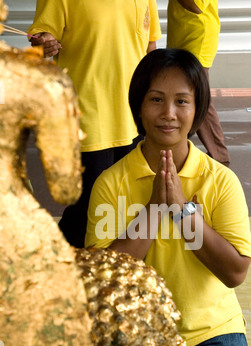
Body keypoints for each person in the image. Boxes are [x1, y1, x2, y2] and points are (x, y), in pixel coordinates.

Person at [85, 48, 251, 346]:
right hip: (136, 334)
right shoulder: (111, 183)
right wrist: (155, 211)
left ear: (198, 109)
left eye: (181, 101)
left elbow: (235, 273)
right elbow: (103, 285)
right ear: (139, 107)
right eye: (156, 99)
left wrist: (182, 213)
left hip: (213, 333)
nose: (168, 114)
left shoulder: (220, 181)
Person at [27, 0, 161, 247]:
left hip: (132, 116)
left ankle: (110, 271)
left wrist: (153, 105)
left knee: (125, 204)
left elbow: (150, 47)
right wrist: (43, 45)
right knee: (87, 208)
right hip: (87, 114)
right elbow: (41, 39)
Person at [167, 0, 230, 166]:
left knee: (199, 99)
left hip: (196, 40)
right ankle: (175, 146)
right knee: (187, 95)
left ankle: (220, 157)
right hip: (184, 37)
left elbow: (195, 6)